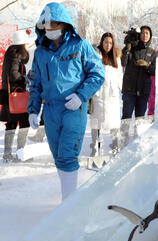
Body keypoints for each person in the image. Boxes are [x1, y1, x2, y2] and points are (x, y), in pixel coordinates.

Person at [27, 2, 105, 201]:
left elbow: (97, 74)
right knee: (58, 157)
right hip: (51, 110)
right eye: (47, 25)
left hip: (73, 108)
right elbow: (35, 83)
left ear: (64, 23)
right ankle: (68, 196)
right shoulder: (40, 52)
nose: (50, 29)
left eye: (54, 24)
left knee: (68, 155)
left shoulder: (80, 45)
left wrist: (81, 96)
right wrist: (33, 110)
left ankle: (68, 204)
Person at [120, 25, 157, 148]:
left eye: (147, 33)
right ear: (139, 35)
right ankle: (122, 143)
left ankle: (136, 144)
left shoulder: (152, 53)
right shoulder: (132, 48)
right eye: (143, 33)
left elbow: (156, 70)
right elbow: (123, 62)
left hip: (143, 91)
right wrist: (127, 48)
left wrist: (148, 66)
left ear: (150, 36)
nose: (145, 35)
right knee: (126, 117)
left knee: (140, 119)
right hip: (129, 90)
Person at [0, 30, 32, 162]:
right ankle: (14, 154)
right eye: (25, 44)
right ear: (21, 44)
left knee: (14, 124)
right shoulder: (14, 55)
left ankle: (13, 154)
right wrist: (25, 78)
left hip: (11, 96)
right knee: (21, 123)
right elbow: (13, 75)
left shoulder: (12, 54)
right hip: (14, 96)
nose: (27, 47)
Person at [89, 32, 123, 156]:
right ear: (102, 42)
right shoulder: (96, 56)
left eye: (110, 43)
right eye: (105, 42)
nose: (108, 45)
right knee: (96, 122)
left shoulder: (116, 58)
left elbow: (120, 75)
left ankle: (115, 145)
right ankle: (95, 146)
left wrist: (120, 88)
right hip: (98, 94)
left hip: (111, 96)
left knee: (114, 122)